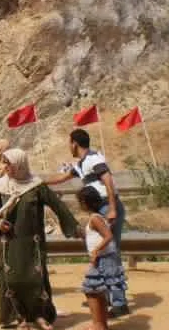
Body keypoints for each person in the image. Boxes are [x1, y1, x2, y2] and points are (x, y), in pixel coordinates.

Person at [0, 148, 80, 330]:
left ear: (20, 165)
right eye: (4, 163)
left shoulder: (36, 186)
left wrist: (74, 227)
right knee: (12, 280)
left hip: (32, 243)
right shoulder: (0, 186)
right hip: (9, 242)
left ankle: (39, 315)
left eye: (9, 163)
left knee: (34, 279)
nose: (6, 167)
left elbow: (58, 206)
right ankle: (19, 318)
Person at [46, 129, 130, 317]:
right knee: (101, 253)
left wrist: (113, 208)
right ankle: (104, 298)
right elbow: (64, 177)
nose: (69, 147)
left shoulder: (93, 159)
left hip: (107, 207)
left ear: (74, 143)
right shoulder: (83, 164)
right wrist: (42, 183)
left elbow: (108, 180)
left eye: (69, 143)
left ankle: (119, 302)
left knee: (110, 253)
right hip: (100, 208)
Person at [78, 186, 128, 330]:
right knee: (98, 291)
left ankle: (98, 326)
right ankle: (102, 326)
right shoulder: (98, 217)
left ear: (85, 202)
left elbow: (108, 236)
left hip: (102, 258)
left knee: (92, 290)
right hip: (105, 257)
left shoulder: (95, 218)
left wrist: (96, 251)